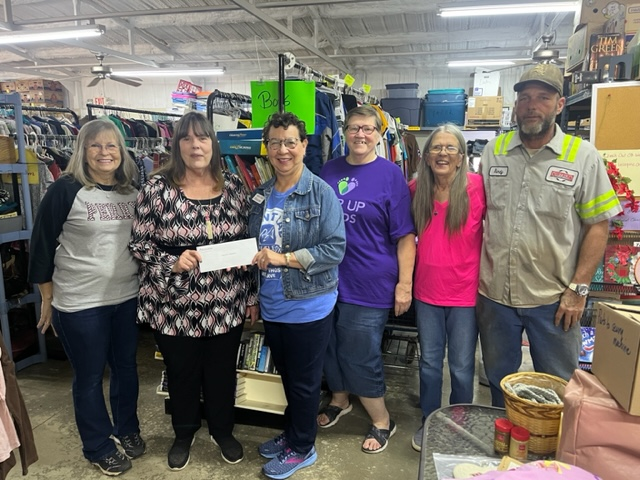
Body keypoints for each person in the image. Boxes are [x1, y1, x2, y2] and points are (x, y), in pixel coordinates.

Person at [477, 63, 622, 407]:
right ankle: (507, 444)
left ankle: (552, 457)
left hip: (554, 301)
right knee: (498, 380)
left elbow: (598, 225)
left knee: (557, 386)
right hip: (495, 297)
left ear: (559, 104)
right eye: (525, 97)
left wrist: (579, 289)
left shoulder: (582, 156)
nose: (532, 105)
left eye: (543, 97)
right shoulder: (492, 151)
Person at [129, 111, 258, 470]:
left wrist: (249, 297)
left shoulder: (233, 187)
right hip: (172, 305)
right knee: (181, 373)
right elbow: (138, 246)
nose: (195, 145)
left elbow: (247, 245)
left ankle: (222, 431)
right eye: (187, 138)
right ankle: (183, 432)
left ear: (213, 144)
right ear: (177, 145)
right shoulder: (156, 189)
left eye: (202, 138)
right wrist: (171, 262)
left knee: (221, 373)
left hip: (225, 302)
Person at [27, 118, 143, 476]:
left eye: (111, 146)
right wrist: (47, 297)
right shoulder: (66, 189)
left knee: (126, 368)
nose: (104, 152)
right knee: (90, 376)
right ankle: (97, 445)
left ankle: (127, 429)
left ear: (122, 152)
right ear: (83, 150)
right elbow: (41, 246)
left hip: (127, 297)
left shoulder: (132, 189)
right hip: (80, 303)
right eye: (96, 145)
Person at [249, 111, 345, 480]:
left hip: (309, 305)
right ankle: (292, 435)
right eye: (275, 143)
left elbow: (335, 249)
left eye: (291, 142)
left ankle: (303, 447)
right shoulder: (259, 195)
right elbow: (252, 251)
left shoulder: (321, 193)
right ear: (267, 148)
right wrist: (253, 296)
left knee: (304, 384)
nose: (283, 150)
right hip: (273, 304)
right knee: (289, 378)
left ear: (304, 145)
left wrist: (284, 258)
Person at [318, 105, 416, 454]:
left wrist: (404, 285)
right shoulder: (329, 170)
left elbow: (405, 236)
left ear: (379, 134)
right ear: (344, 131)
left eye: (368, 129)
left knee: (360, 352)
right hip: (326, 279)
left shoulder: (391, 176)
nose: (361, 134)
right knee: (329, 346)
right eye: (354, 127)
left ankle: (381, 418)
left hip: (370, 282)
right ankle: (340, 399)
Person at [408, 124, 486, 452]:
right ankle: (430, 421)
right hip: (426, 292)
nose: (442, 153)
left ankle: (458, 423)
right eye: (436, 148)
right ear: (426, 157)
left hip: (465, 294)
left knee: (462, 365)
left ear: (461, 157)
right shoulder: (415, 189)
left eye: (450, 148)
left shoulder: (478, 187)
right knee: (429, 363)